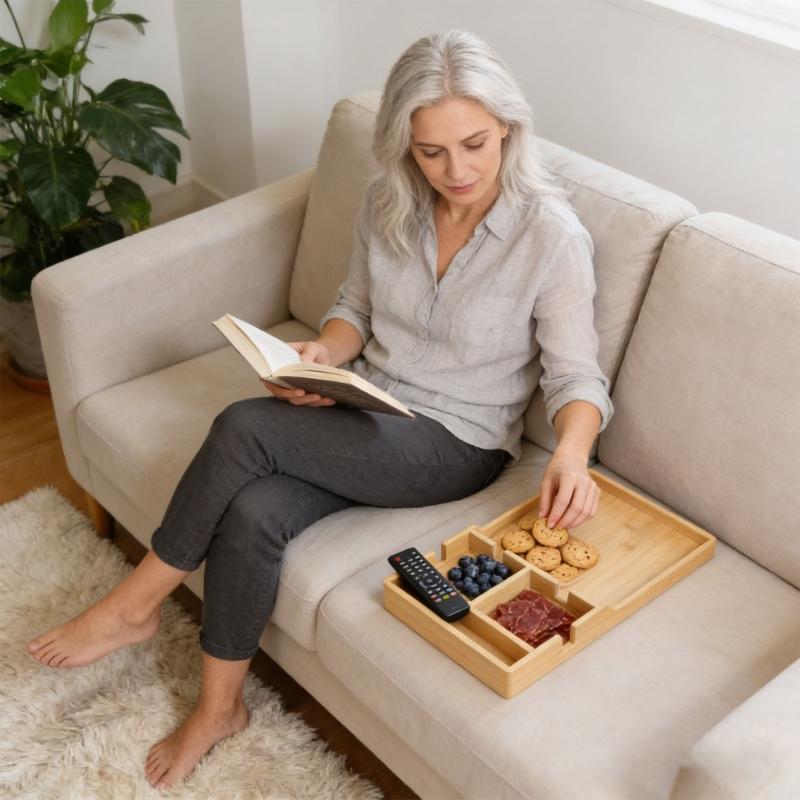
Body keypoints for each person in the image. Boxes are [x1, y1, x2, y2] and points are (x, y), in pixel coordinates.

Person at [26, 29, 613, 789]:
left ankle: (133, 605)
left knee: (245, 428)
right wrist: (323, 358)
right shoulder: (389, 203)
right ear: (405, 145)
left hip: (455, 443)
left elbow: (577, 378)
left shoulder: (550, 236)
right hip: (367, 409)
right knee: (256, 511)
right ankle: (220, 708)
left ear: (507, 126)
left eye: (473, 144)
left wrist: (570, 453)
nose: (456, 171)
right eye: (431, 152)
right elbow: (353, 311)